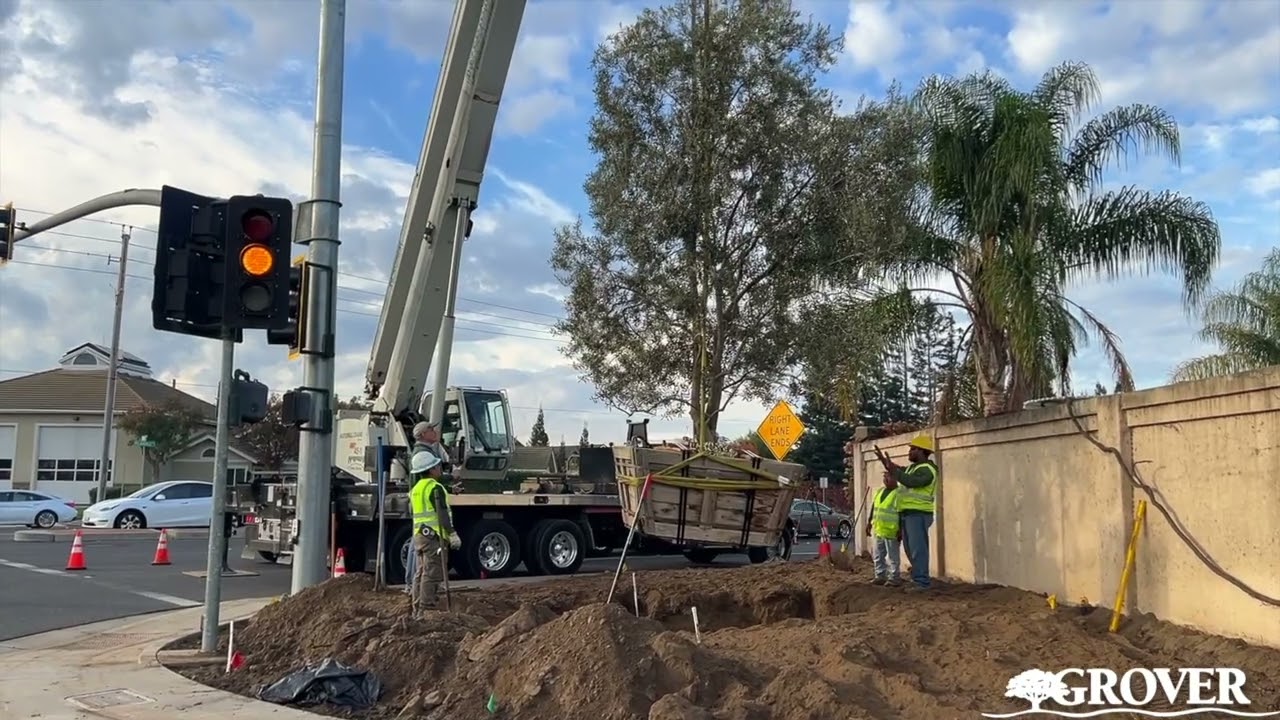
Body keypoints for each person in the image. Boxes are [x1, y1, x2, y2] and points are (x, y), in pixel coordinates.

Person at [880, 434, 938, 591]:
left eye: (913, 449)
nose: (909, 452)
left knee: (918, 549)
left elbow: (911, 481)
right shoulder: (914, 468)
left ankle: (922, 582)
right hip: (907, 514)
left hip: (919, 514)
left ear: (922, 451)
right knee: (910, 549)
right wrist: (887, 464)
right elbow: (901, 472)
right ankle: (918, 578)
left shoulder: (928, 470)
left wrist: (894, 470)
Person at [408, 451, 460, 615]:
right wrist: (452, 534)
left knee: (421, 572)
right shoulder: (434, 488)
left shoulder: (416, 489)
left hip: (419, 535)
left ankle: (417, 607)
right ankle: (426, 608)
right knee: (431, 573)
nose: (440, 468)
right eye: (437, 466)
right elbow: (441, 514)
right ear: (431, 469)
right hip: (433, 536)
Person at [404, 421, 450, 595]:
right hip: (426, 514)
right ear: (422, 434)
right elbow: (431, 481)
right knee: (421, 552)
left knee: (418, 547)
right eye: (431, 429)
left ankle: (415, 587)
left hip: (421, 508)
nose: (435, 431)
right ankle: (419, 590)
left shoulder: (424, 451)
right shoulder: (423, 453)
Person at [866, 472, 902, 587]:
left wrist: (901, 529)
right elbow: (874, 507)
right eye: (884, 477)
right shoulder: (880, 491)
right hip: (879, 529)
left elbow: (902, 512)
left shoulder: (899, 494)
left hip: (891, 531)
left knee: (892, 557)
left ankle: (894, 578)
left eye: (888, 477)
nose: (886, 480)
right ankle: (880, 575)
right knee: (878, 555)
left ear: (895, 479)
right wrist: (869, 522)